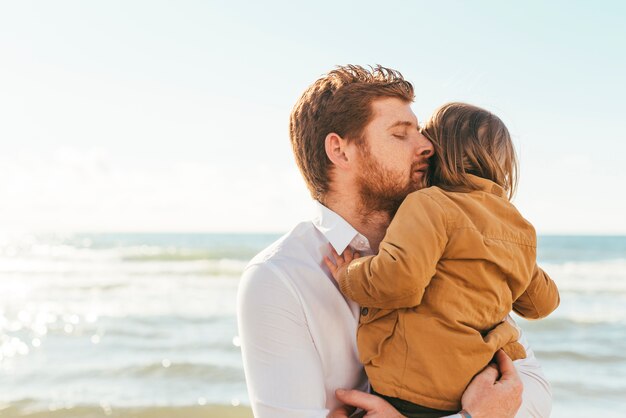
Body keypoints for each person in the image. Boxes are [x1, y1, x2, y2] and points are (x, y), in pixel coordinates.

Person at [237, 65, 553, 418]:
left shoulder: (457, 240)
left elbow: (533, 390)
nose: (427, 146)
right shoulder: (278, 278)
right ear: (340, 152)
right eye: (401, 134)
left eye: (419, 131)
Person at [324, 102, 560, 417]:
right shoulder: (517, 227)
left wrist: (349, 273)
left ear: (438, 152)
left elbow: (398, 281)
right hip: (475, 384)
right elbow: (542, 304)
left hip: (414, 388)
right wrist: (514, 258)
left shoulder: (429, 203)